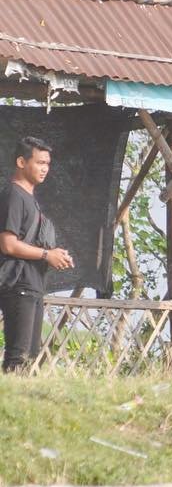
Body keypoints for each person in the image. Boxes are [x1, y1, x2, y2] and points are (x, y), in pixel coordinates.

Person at [0, 137, 73, 372]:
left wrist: (55, 254)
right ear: (21, 162)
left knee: (29, 355)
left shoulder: (30, 199)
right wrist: (45, 255)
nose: (45, 168)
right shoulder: (14, 196)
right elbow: (8, 244)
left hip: (32, 285)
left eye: (48, 163)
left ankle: (19, 403)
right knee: (17, 356)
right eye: (40, 162)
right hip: (18, 284)